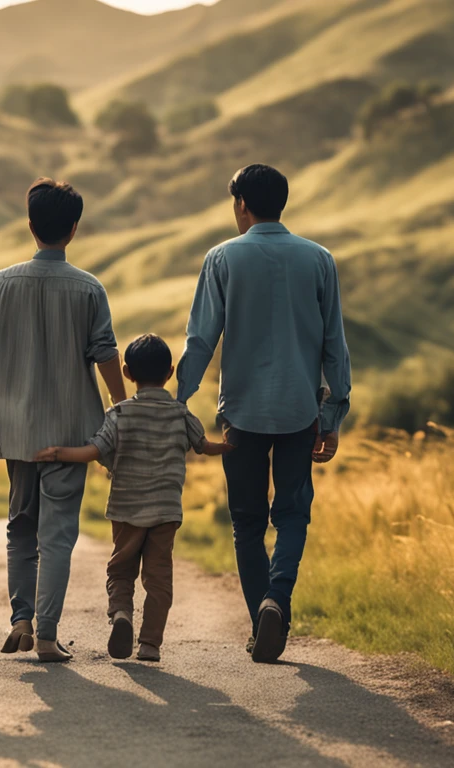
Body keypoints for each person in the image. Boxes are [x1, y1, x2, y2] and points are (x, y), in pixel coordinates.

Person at [177, 164, 352, 663]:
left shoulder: (221, 258)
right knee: (293, 512)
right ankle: (278, 597)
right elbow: (334, 345)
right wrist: (334, 413)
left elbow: (201, 339)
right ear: (282, 203)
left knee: (247, 523)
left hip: (242, 414)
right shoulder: (320, 260)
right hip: (302, 411)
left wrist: (178, 403)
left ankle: (262, 619)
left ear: (241, 206)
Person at [0, 179, 128, 663]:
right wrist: (122, 415)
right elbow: (105, 356)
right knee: (56, 535)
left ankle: (20, 618)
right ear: (74, 229)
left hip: (16, 430)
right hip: (70, 430)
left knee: (20, 525)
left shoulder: (3, 282)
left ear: (31, 225)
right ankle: (46, 634)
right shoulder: (88, 288)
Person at [36, 334, 231, 662]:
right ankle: (150, 643)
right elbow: (204, 446)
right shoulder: (179, 414)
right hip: (166, 510)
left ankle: (122, 614)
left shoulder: (119, 414)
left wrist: (59, 453)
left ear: (126, 373)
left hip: (126, 509)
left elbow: (94, 450)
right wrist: (227, 445)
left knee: (121, 569)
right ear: (170, 372)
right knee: (158, 576)